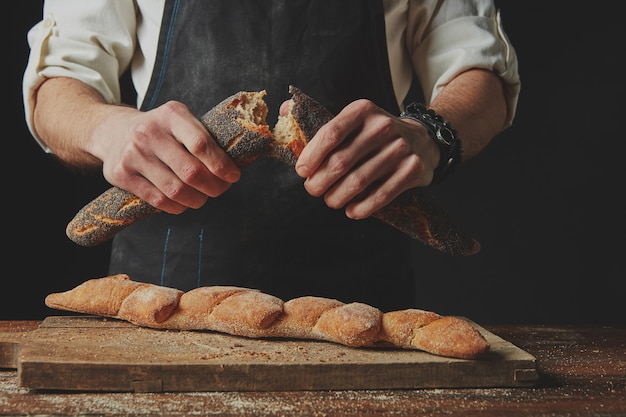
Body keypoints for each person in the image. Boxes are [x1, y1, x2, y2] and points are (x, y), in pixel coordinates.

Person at [23, 1, 520, 312]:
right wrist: (107, 128)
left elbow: (482, 75)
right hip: (164, 299)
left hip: (361, 308)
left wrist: (430, 132)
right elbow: (59, 85)